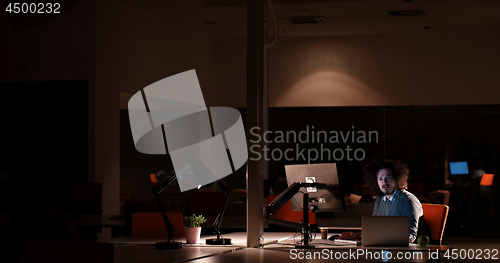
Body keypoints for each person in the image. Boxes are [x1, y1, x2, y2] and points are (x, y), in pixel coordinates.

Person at [363, 159, 423, 243]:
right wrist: (358, 236)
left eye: (388, 178)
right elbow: (375, 228)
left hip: (406, 252)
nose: (384, 182)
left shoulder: (407, 200)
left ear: (397, 179)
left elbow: (410, 237)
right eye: (380, 179)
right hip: (385, 247)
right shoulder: (379, 200)